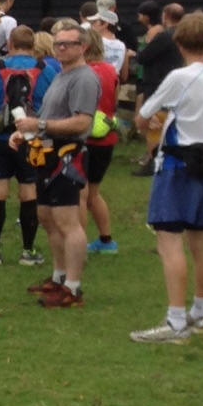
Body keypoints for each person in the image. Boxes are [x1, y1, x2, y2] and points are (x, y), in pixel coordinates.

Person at [129, 11, 203, 342]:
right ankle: (201, 310)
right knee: (201, 239)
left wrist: (155, 120)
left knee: (169, 239)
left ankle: (176, 321)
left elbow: (143, 116)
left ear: (179, 43)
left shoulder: (180, 77)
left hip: (178, 165)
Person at [14, 18, 97, 307]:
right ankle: (59, 276)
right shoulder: (61, 74)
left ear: (82, 46)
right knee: (48, 218)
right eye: (58, 43)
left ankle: (72, 288)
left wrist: (39, 125)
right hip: (47, 153)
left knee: (67, 222)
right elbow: (48, 118)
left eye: (67, 44)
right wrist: (26, 132)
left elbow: (82, 122)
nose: (60, 48)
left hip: (68, 155)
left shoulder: (84, 78)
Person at [0, 25, 57, 267]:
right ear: (34, 45)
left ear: (10, 44)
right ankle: (28, 251)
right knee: (29, 193)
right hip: (32, 138)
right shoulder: (46, 70)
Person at [132, 2, 187, 173]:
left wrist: (139, 50)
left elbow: (144, 56)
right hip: (175, 83)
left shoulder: (165, 36)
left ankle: (153, 160)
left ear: (166, 16)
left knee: (153, 123)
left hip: (157, 82)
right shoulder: (184, 35)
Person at [81, 30, 121, 254]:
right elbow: (113, 101)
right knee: (93, 193)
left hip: (84, 135)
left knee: (80, 193)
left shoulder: (82, 72)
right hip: (106, 136)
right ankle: (106, 240)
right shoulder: (110, 70)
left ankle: (77, 241)